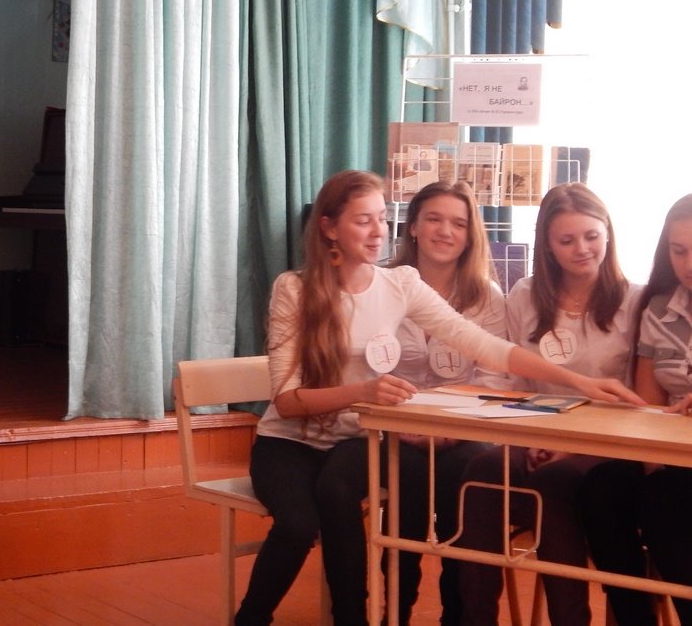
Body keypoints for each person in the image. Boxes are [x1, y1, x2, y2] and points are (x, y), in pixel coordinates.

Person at [233, 170, 640, 626]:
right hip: (306, 437)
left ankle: (421, 613)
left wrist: (580, 383)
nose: (377, 231)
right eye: (364, 221)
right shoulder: (294, 287)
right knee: (310, 514)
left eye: (382, 218)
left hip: (361, 433)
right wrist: (365, 393)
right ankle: (339, 615)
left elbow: (486, 347)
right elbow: (287, 402)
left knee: (405, 477)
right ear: (329, 227)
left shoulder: (400, 284)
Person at [456, 182, 641, 626]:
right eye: (567, 240)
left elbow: (638, 398)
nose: (582, 249)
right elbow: (514, 384)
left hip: (607, 442)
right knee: (481, 471)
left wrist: (571, 446)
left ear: (608, 234)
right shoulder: (524, 295)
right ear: (548, 246)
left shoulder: (635, 300)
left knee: (553, 482)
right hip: (535, 430)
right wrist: (531, 436)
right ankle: (476, 619)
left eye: (591, 236)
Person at [386, 181, 509, 625]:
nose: (445, 231)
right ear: (413, 226)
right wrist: (404, 425)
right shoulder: (381, 285)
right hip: (394, 428)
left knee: (466, 475)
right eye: (434, 219)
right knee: (407, 475)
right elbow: (364, 370)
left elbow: (494, 380)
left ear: (470, 234)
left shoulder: (487, 296)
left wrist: (448, 432)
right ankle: (395, 609)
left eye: (458, 223)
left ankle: (457, 614)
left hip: (465, 432)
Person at [578, 194, 692, 625]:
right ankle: (633, 618)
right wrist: (652, 466)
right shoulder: (659, 310)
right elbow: (648, 409)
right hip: (674, 459)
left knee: (663, 502)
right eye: (679, 251)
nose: (688, 264)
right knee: (602, 488)